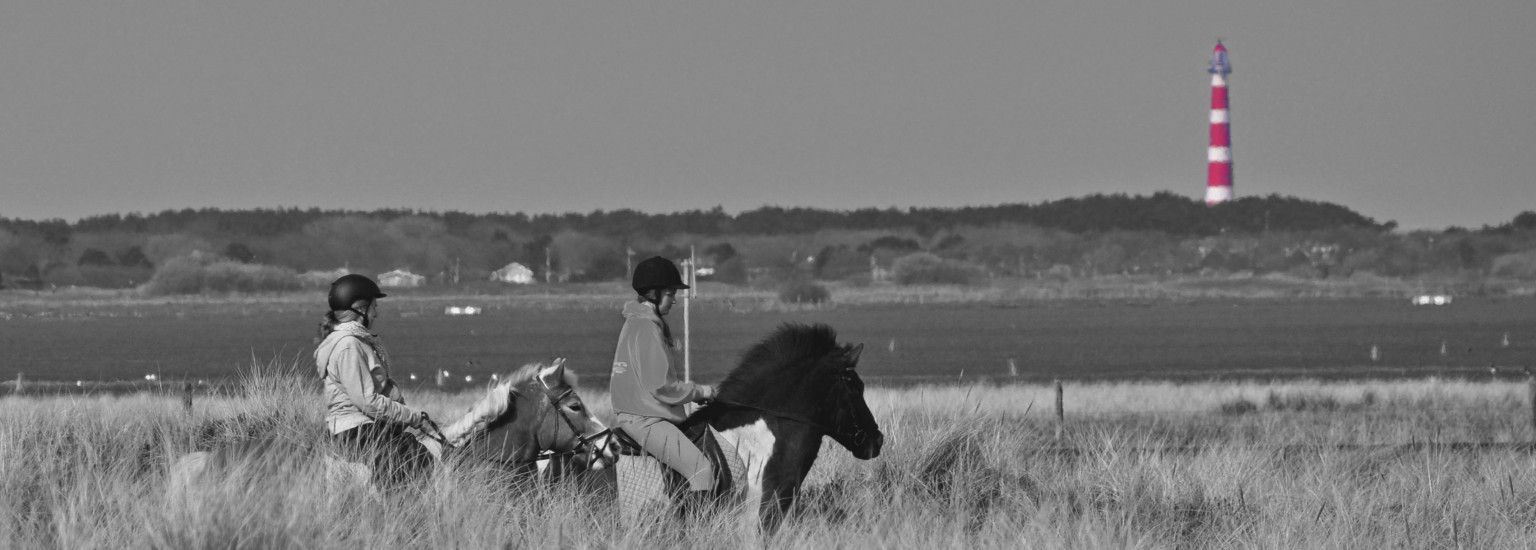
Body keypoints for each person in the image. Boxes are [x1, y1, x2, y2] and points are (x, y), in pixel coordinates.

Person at [610, 256, 717, 496]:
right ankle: (700, 531)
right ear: (653, 295)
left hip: (640, 414)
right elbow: (661, 386)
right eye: (671, 294)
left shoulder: (637, 322)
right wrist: (702, 391)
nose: (675, 300)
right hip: (647, 419)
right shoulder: (646, 327)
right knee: (702, 470)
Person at [314, 274, 434, 484]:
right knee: (411, 459)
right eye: (374, 307)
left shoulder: (356, 342)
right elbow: (367, 401)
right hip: (354, 430)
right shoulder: (349, 346)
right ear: (360, 309)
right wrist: (414, 418)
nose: (376, 313)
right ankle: (393, 510)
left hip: (364, 426)